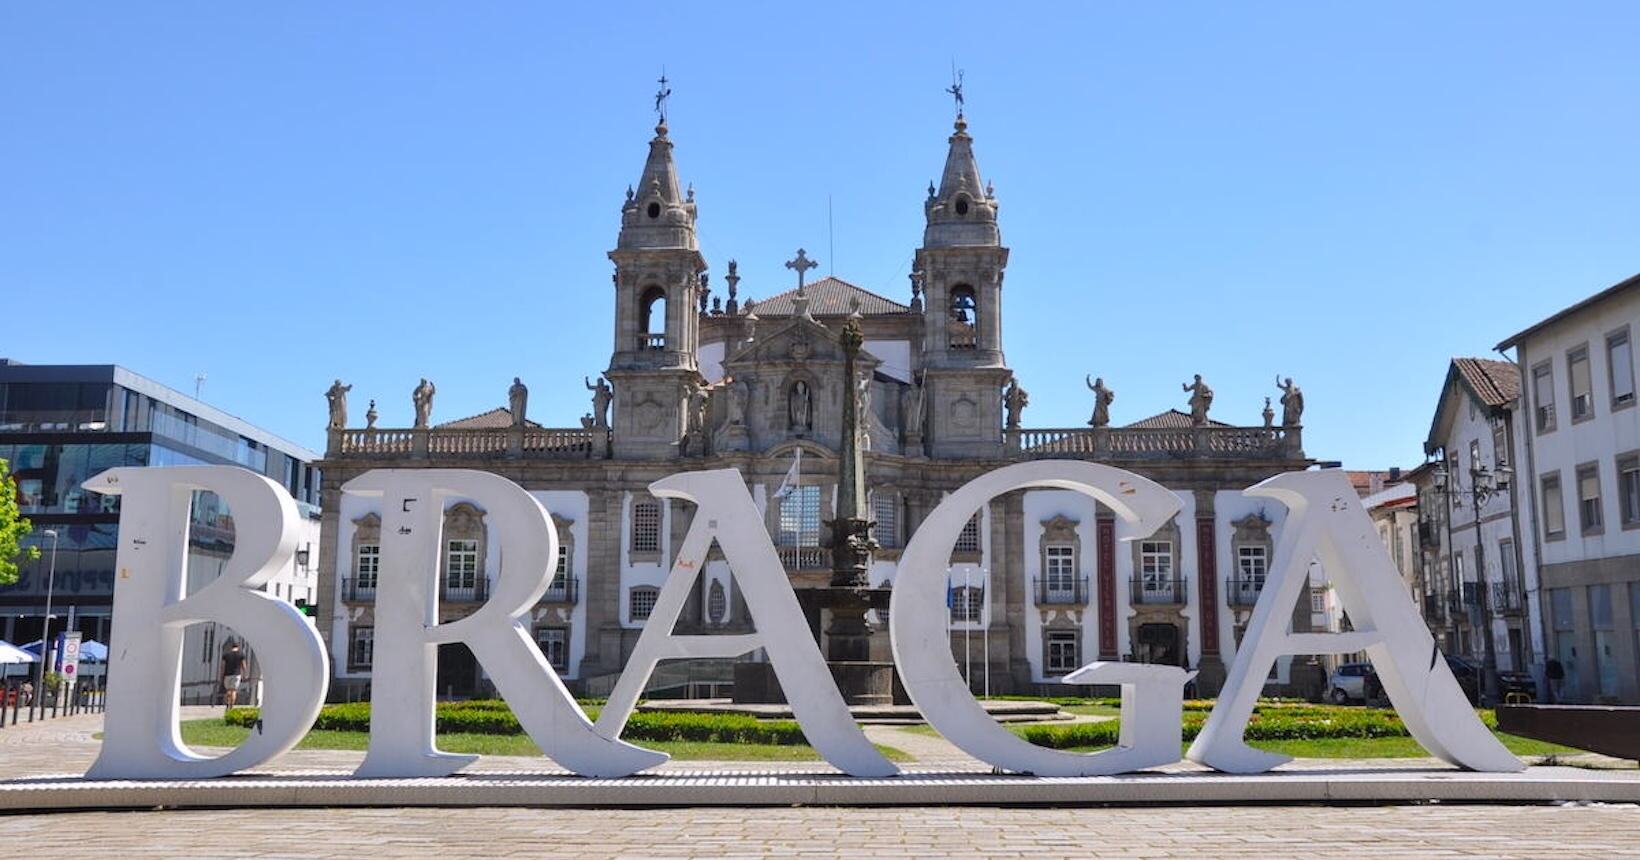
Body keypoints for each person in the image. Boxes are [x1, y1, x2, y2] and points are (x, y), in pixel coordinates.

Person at [221, 641, 246, 708]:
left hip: (227, 674)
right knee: (234, 690)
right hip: (237, 675)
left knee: (228, 690)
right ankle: (231, 706)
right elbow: (243, 665)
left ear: (231, 647)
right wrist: (244, 674)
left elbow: (223, 666)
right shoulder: (241, 654)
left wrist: (221, 674)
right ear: (238, 647)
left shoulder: (226, 655)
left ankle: (227, 704)